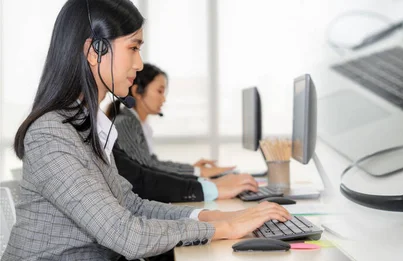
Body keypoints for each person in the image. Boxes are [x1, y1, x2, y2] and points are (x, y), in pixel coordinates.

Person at [2, 0, 290, 260]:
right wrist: (224, 226)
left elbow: (132, 206)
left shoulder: (88, 126)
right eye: (133, 48)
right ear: (94, 51)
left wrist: (212, 216)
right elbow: (126, 234)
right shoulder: (51, 134)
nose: (139, 64)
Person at [106, 63, 258, 201]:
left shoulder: (139, 124)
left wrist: (196, 172)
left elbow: (153, 164)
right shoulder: (126, 123)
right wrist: (200, 174)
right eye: (160, 91)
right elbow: (148, 168)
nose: (163, 99)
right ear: (137, 91)